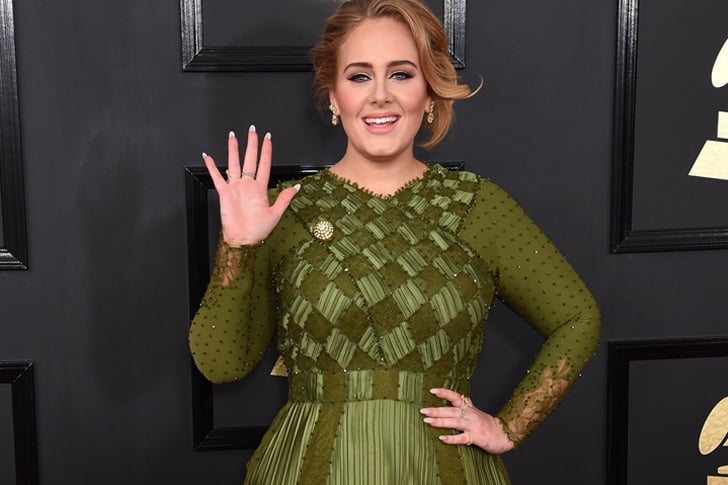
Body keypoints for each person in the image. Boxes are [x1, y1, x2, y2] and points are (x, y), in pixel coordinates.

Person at [188, 0, 601, 483]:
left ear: (429, 94)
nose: (380, 96)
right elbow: (222, 364)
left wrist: (510, 425)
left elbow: (578, 317)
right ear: (334, 96)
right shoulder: (284, 209)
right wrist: (238, 246)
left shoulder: (479, 206)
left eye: (401, 74)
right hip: (309, 468)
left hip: (444, 469)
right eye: (360, 76)